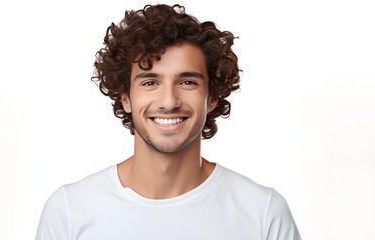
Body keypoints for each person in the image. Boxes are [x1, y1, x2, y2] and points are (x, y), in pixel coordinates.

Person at [35, 3, 301, 240]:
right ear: (126, 97)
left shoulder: (263, 213)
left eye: (187, 82)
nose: (169, 101)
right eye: (150, 82)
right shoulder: (70, 210)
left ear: (211, 97)